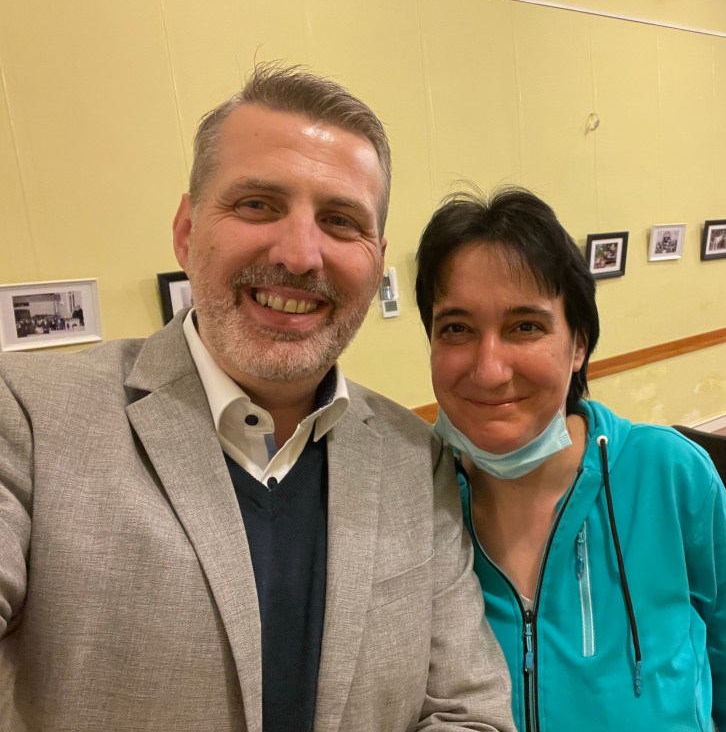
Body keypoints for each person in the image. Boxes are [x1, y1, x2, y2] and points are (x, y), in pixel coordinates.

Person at [0, 65, 515, 732]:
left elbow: (471, 710)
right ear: (187, 230)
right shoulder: (31, 418)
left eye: (340, 221)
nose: (300, 255)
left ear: (376, 261)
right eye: (257, 205)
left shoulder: (417, 459)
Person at [414, 187, 726, 731]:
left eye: (526, 326)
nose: (490, 369)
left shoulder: (670, 475)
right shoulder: (411, 500)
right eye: (457, 329)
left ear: (579, 345)